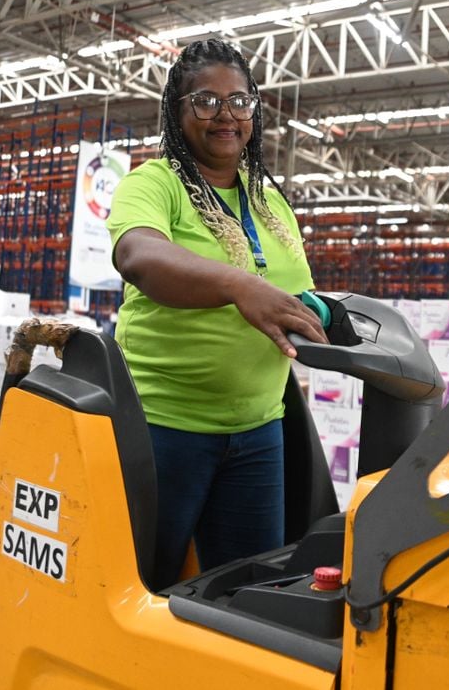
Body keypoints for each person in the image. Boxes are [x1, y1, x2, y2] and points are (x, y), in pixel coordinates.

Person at [106, 38, 328, 589]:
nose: (225, 115)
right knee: (143, 586)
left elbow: (296, 294)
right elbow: (139, 255)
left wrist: (328, 313)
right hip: (164, 429)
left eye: (240, 101)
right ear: (177, 113)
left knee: (246, 591)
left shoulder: (269, 202)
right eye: (205, 101)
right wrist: (236, 285)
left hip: (259, 429)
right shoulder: (155, 184)